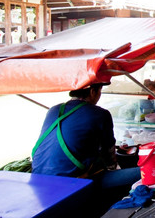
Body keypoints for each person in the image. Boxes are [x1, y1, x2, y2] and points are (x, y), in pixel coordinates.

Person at [32, 83, 141, 214]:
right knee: (142, 173)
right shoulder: (100, 114)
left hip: (39, 179)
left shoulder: (54, 110)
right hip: (73, 183)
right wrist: (116, 165)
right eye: (100, 90)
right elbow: (110, 159)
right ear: (93, 92)